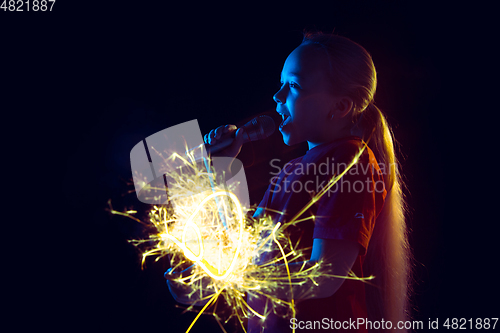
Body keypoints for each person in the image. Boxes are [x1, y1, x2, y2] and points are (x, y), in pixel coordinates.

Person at [167, 32, 411, 332]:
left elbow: (326, 275)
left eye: (293, 86)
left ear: (341, 107)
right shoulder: (292, 169)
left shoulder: (351, 161)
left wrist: (231, 276)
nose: (277, 96)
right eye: (280, 84)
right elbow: (248, 248)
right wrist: (221, 167)